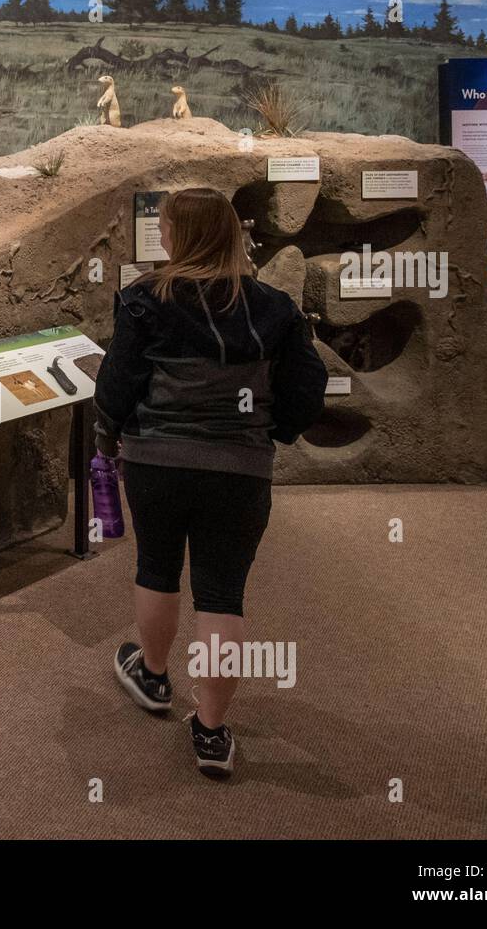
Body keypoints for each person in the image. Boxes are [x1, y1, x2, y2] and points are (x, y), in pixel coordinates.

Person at [94, 187, 327, 779]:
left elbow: (116, 386)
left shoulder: (144, 299)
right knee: (222, 595)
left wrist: (107, 438)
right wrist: (274, 431)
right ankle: (213, 732)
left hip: (156, 464)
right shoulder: (274, 308)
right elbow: (306, 387)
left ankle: (151, 675)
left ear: (180, 236)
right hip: (238, 469)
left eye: (168, 227)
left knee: (156, 566)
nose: (163, 236)